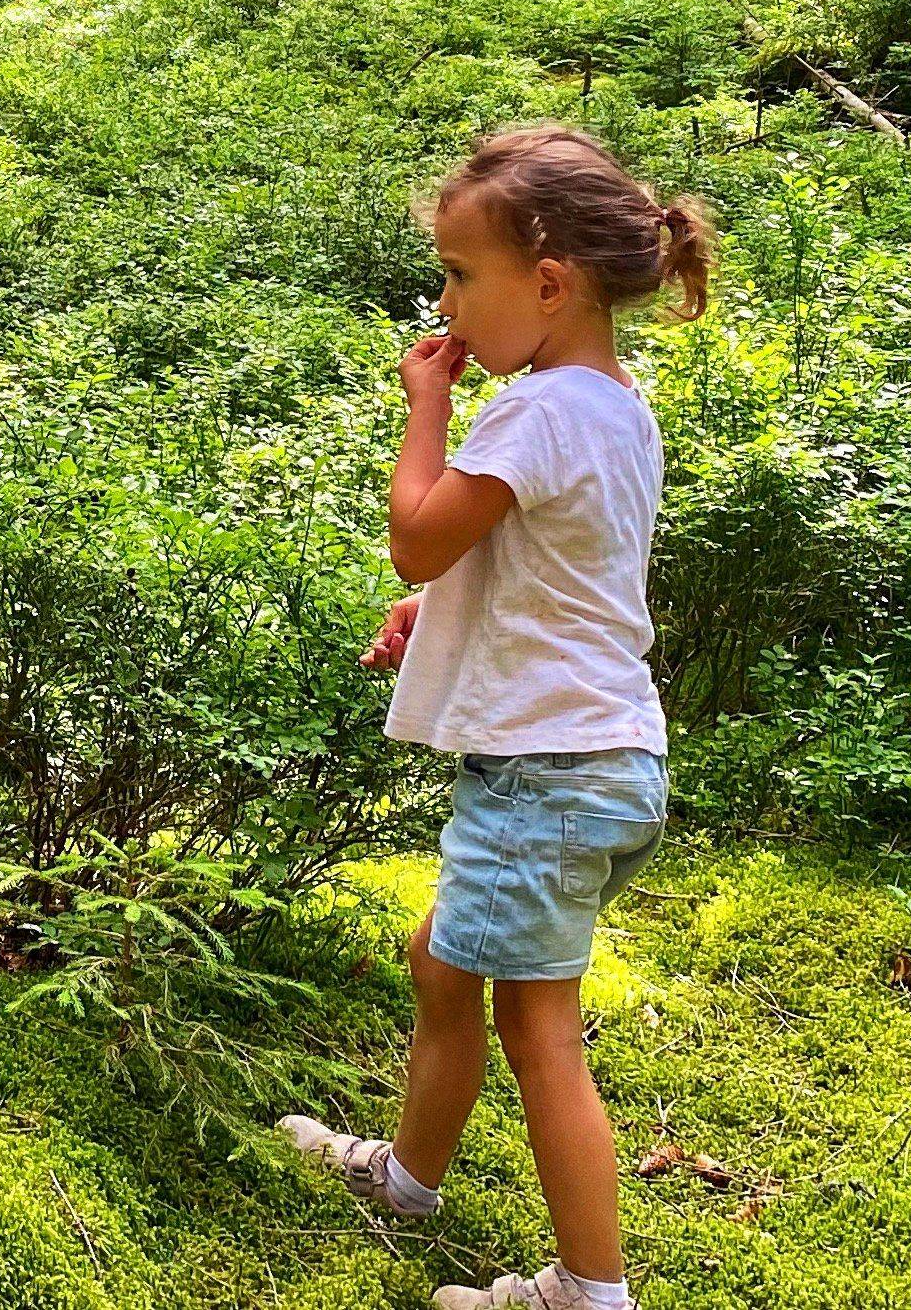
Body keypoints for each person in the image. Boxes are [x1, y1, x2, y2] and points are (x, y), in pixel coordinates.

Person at [280, 124, 715, 1310]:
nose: (447, 305)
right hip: (602, 756)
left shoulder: (527, 413)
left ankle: (589, 1290)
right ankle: (409, 1179)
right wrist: (439, 614)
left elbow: (420, 528)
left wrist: (427, 403)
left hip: (549, 774)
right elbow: (555, 574)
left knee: (540, 1030)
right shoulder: (615, 405)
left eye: (461, 276)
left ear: (550, 283)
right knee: (439, 957)